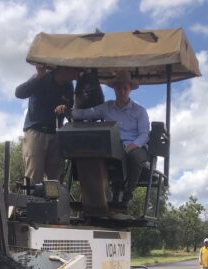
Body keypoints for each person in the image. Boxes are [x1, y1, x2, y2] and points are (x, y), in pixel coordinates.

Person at [63, 70, 150, 206]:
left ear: (130, 89)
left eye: (124, 88)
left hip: (134, 146)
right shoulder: (107, 107)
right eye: (118, 88)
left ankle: (126, 197)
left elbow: (144, 134)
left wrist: (132, 146)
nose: (121, 91)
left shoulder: (139, 110)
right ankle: (95, 197)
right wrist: (67, 111)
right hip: (113, 146)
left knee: (136, 158)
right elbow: (87, 113)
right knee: (94, 155)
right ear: (114, 89)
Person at [15, 64, 75, 183]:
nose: (76, 73)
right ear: (62, 68)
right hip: (36, 132)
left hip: (56, 134)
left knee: (55, 180)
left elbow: (71, 111)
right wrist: (38, 76)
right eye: (73, 69)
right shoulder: (43, 77)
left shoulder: (69, 86)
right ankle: (31, 200)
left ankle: (54, 202)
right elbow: (19, 93)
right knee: (33, 177)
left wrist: (66, 110)